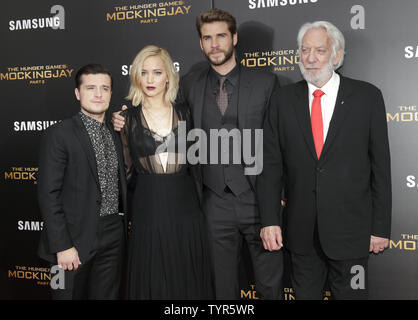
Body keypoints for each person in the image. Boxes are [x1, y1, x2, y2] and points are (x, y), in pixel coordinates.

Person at [114, 9, 283, 300]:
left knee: (270, 286)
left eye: (220, 36)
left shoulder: (266, 83)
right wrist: (124, 119)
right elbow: (159, 115)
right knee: (221, 289)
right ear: (200, 43)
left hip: (257, 200)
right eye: (207, 38)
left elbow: (277, 146)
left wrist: (276, 201)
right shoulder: (191, 85)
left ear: (234, 38)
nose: (214, 44)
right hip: (211, 204)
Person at [257, 21, 392, 300]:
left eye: (320, 50)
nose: (310, 57)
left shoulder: (367, 97)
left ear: (337, 55)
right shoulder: (282, 100)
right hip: (301, 234)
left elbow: (381, 168)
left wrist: (380, 228)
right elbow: (270, 167)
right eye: (305, 50)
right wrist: (270, 220)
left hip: (352, 234)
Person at [120, 45, 213, 299]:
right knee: (152, 276)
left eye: (157, 73)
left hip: (185, 205)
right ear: (136, 76)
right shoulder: (126, 119)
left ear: (169, 76)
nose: (150, 80)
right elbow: (125, 172)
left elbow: (199, 161)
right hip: (148, 206)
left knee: (186, 275)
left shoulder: (186, 112)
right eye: (144, 73)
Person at [38, 64, 128, 299]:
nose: (98, 94)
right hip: (71, 240)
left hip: (112, 235)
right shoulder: (59, 133)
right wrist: (62, 246)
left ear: (110, 94)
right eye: (90, 88)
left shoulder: (116, 133)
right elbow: (48, 193)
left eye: (104, 88)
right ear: (78, 94)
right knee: (63, 296)